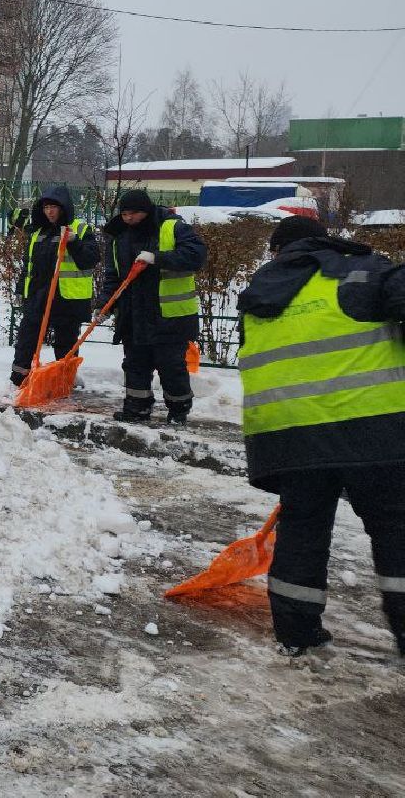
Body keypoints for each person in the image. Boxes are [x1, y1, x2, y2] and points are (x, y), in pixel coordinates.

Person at [237, 215, 405, 658]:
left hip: (285, 434)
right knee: (395, 528)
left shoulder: (259, 296)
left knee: (303, 527)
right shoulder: (365, 270)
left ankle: (296, 631)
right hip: (374, 430)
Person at [98, 189, 207, 425]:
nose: (128, 219)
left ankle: (178, 410)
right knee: (135, 364)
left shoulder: (172, 227)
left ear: (146, 211)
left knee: (171, 366)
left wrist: (157, 258)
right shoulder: (119, 238)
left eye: (133, 214)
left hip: (168, 316)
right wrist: (104, 305)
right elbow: (113, 277)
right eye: (124, 214)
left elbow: (196, 255)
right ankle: (136, 409)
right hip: (133, 314)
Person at [8, 185, 100, 387]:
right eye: (46, 207)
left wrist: (73, 241)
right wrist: (20, 289)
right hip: (38, 296)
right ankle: (20, 380)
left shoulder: (81, 229)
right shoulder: (38, 232)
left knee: (66, 343)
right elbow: (28, 265)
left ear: (64, 207)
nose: (49, 211)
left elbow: (90, 259)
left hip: (67, 299)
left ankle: (64, 380)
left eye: (53, 207)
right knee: (26, 339)